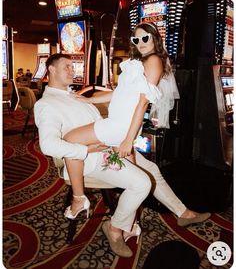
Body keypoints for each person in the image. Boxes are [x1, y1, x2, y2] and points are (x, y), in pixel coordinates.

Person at [34, 52, 210, 259]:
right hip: (89, 159)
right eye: (67, 67)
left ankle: (182, 213)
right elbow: (48, 145)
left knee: (152, 169)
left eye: (74, 67)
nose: (72, 71)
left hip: (106, 147)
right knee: (142, 184)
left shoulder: (72, 94)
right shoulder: (46, 104)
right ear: (51, 70)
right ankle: (114, 227)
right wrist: (84, 150)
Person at [62, 21, 179, 219]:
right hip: (120, 124)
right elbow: (117, 94)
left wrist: (128, 139)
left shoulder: (153, 60)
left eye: (145, 38)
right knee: (137, 178)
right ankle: (131, 224)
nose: (140, 42)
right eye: (136, 39)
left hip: (120, 125)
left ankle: (79, 197)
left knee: (69, 139)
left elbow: (143, 103)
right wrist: (88, 99)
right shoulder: (140, 62)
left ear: (155, 39)